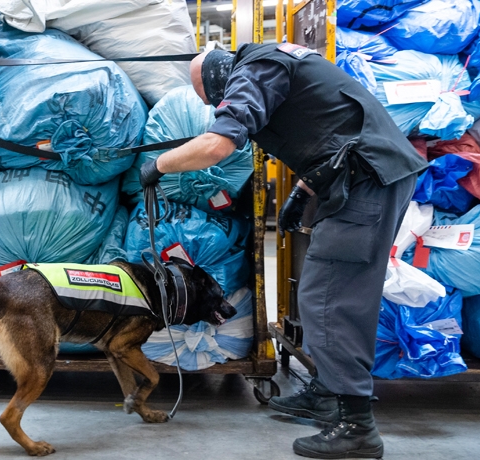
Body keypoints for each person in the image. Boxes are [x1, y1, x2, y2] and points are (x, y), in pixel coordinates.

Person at [139, 43, 427, 459]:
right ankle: (328, 396)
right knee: (327, 293)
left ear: (224, 78)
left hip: (368, 182)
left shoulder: (255, 69)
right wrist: (303, 188)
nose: (218, 105)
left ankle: (356, 427)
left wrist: (160, 164)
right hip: (363, 176)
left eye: (215, 98)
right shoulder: (276, 63)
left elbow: (217, 146)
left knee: (330, 299)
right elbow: (327, 127)